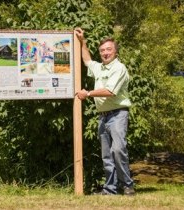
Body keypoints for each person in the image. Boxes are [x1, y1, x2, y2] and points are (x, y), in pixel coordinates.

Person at [75, 27, 135, 196]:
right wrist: (83, 41)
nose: (105, 53)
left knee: (118, 150)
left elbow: (110, 91)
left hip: (117, 114)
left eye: (109, 49)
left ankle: (127, 186)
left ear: (115, 52)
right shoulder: (99, 68)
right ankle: (110, 189)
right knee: (106, 155)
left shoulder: (119, 68)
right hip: (103, 116)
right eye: (102, 50)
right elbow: (87, 60)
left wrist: (87, 93)